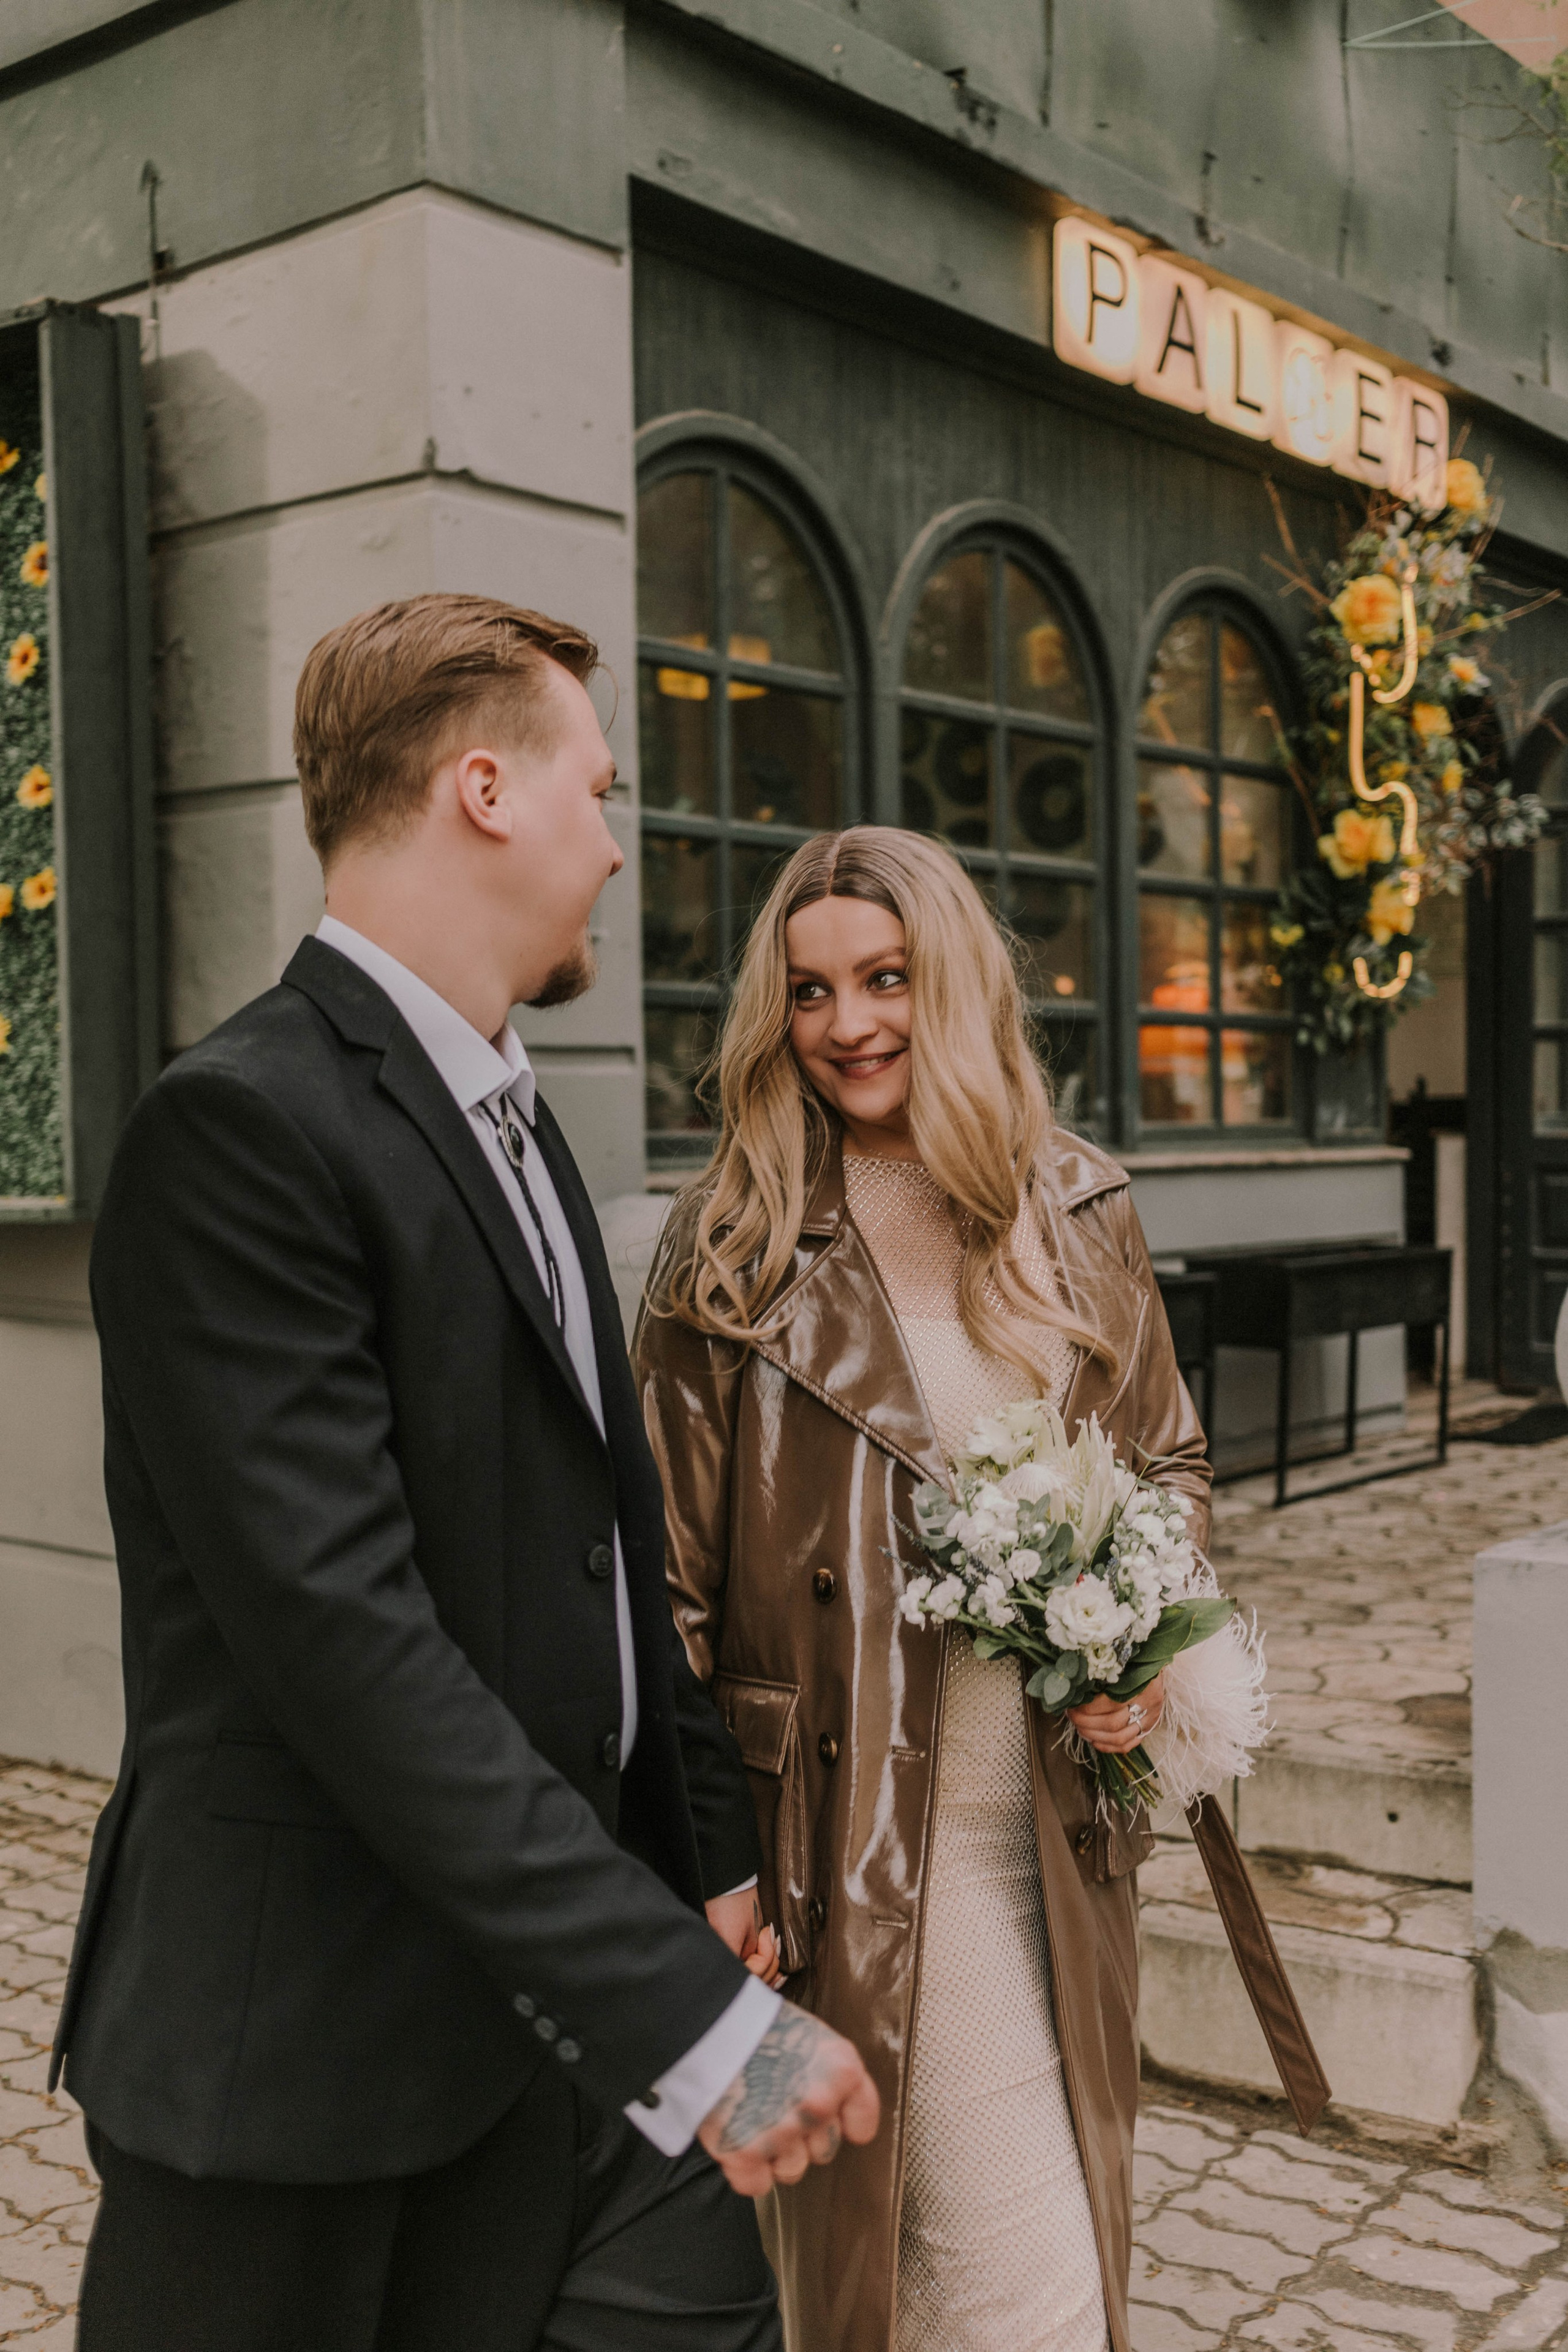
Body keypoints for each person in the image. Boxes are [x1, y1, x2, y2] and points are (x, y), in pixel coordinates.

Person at [56, 595, 878, 2352]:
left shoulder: (513, 1117)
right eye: (600, 788)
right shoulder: (244, 1131)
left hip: (545, 2033)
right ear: (487, 792)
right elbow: (348, 1644)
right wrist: (692, 2018)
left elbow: (601, 1538)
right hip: (304, 2064)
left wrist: (707, 1861)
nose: (615, 842)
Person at [634, 826, 1215, 2352]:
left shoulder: (1076, 1210)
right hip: (844, 1854)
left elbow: (1165, 1468)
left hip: (1062, 1829)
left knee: (939, 2281)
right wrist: (710, 1867)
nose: (847, 1027)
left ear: (948, 980)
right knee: (1006, 2290)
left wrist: (1146, 1644)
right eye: (809, 993)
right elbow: (664, 1592)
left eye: (884, 980)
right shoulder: (730, 1254)